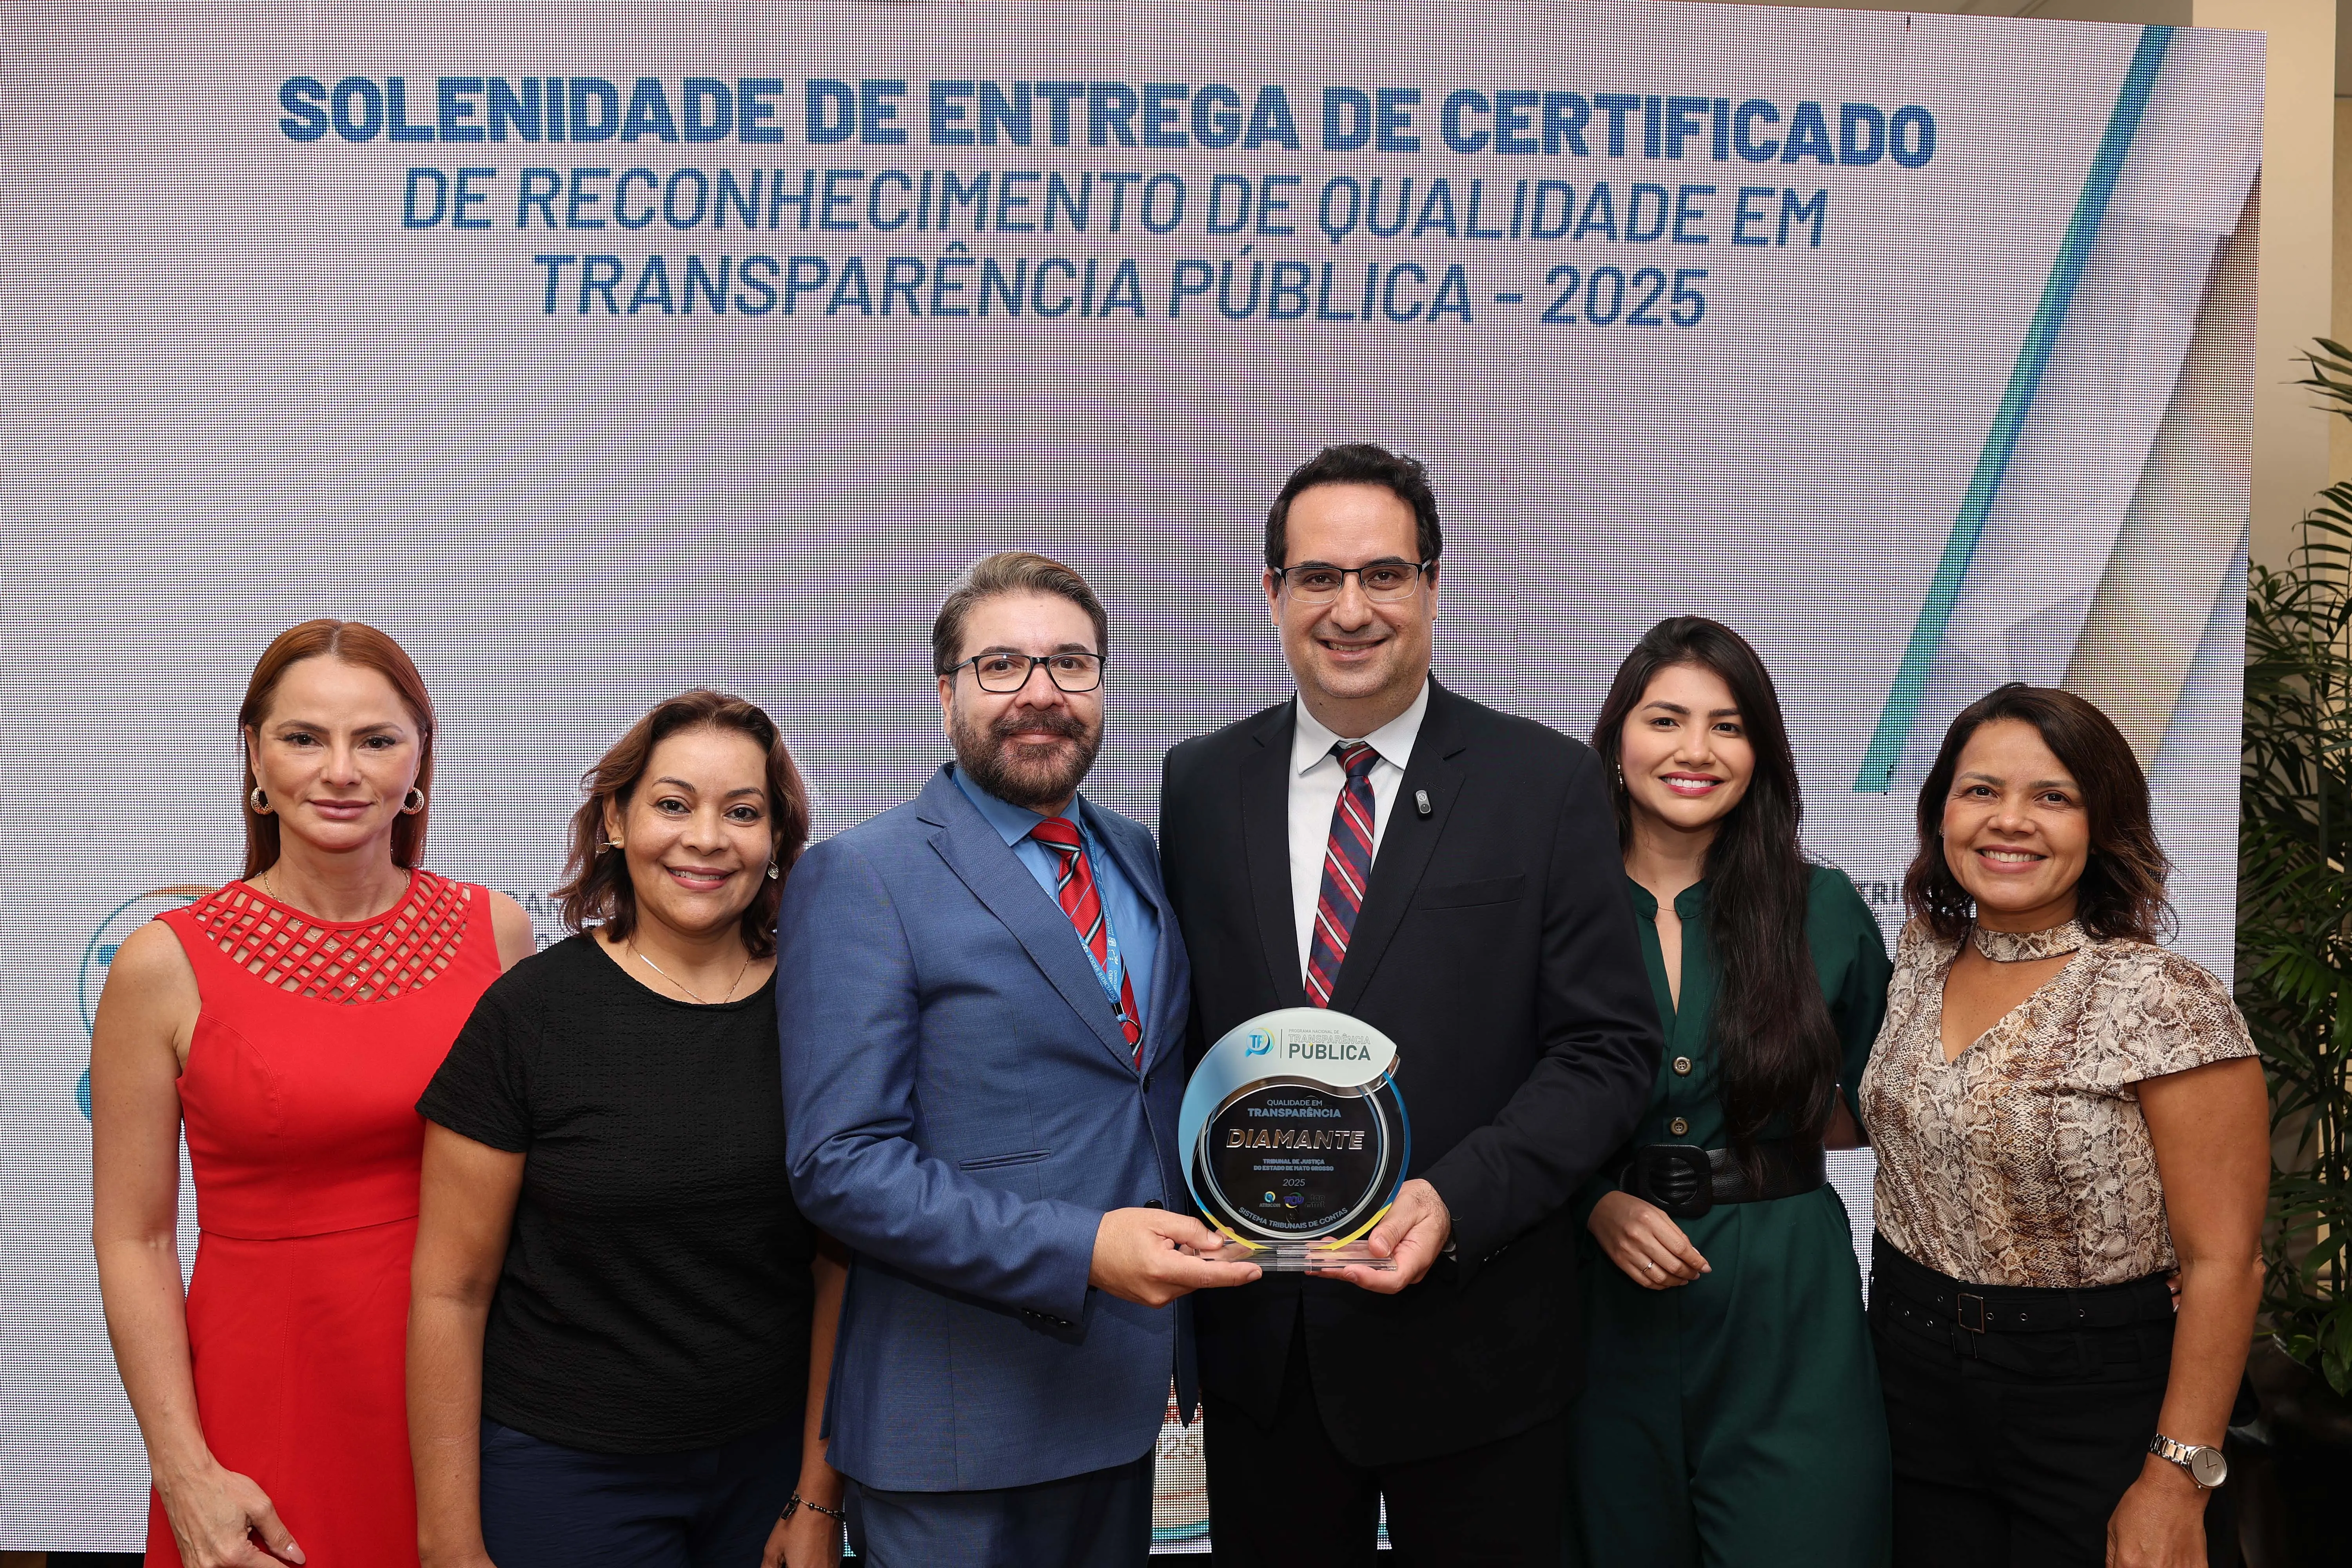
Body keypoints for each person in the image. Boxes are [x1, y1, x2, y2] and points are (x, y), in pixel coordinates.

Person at [1158, 444, 1660, 1564]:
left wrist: (1456, 1197)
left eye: (1384, 575)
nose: (1351, 609)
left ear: (1434, 586)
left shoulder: (1544, 783)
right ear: (1271, 593)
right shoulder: (1198, 784)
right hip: (1265, 1358)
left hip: (1474, 1343)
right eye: (1318, 578)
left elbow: (1608, 1051)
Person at [777, 552, 1259, 1568]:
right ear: (946, 694)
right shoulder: (861, 876)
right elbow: (842, 1164)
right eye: (1002, 665)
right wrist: (1084, 1250)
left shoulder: (1133, 849)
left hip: (1124, 1410)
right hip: (957, 1432)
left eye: (1070, 665)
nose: (1041, 694)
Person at [91, 619, 533, 1568]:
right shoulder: (162, 962)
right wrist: (185, 1470)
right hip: (267, 1405)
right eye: (304, 737)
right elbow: (133, 1236)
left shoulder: (497, 931)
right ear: (253, 752)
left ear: (420, 758)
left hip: (479, 1399)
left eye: (376, 739)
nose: (342, 769)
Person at [407, 689, 845, 1568]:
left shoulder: (824, 1011)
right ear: (616, 817)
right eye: (673, 803)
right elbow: (449, 1293)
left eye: (744, 811)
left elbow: (841, 1267)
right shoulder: (532, 1012)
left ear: (776, 841)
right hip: (565, 1474)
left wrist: (817, 1496)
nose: (707, 838)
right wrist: (449, 1540)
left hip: (765, 1477)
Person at [1861, 684, 2267, 1568]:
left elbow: (2223, 1262)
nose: (2011, 821)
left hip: (2095, 1394)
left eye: (2053, 796)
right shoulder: (1919, 957)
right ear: (1940, 815)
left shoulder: (2165, 999)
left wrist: (2177, 1478)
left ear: (2101, 822)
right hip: (1906, 1369)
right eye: (1981, 791)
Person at [1563, 616, 1891, 1567]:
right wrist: (1593, 1199)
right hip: (1594, 1312)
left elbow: (1902, 1100)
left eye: (1730, 725)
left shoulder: (1822, 904)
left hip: (1790, 1307)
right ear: (1618, 738)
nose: (1696, 750)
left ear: (1764, 753)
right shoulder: (1548, 903)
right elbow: (1498, 1096)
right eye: (1666, 719)